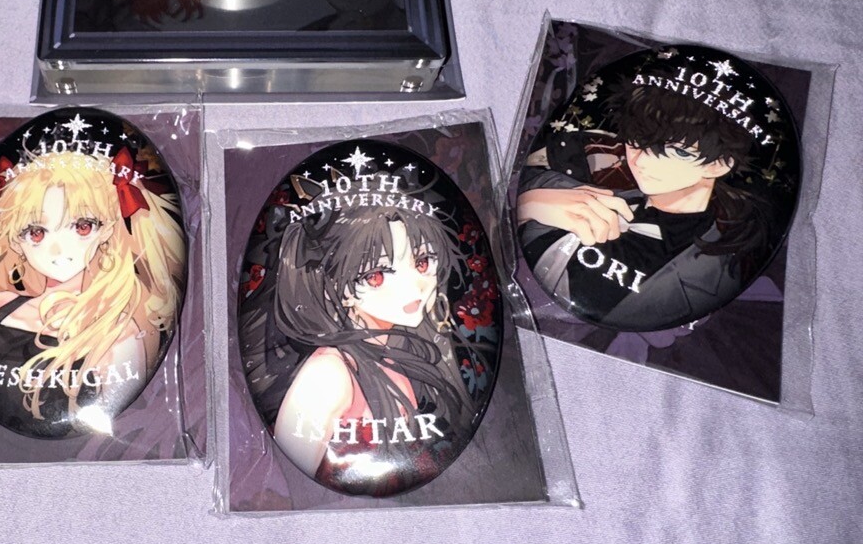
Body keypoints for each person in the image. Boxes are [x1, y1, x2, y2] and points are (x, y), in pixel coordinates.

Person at [241, 193, 491, 497]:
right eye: (377, 276)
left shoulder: (391, 357)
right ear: (339, 288)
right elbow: (290, 481)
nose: (414, 286)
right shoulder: (329, 375)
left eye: (422, 262)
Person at [0, 149, 186, 437]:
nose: (57, 249)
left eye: (81, 227)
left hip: (69, 456)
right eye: (36, 232)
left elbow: (111, 428)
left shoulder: (118, 332)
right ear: (17, 241)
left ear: (106, 231)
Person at [517, 77, 772, 330]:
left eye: (678, 151)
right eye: (636, 140)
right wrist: (531, 204)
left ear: (719, 165)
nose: (642, 161)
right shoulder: (595, 193)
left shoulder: (713, 275)